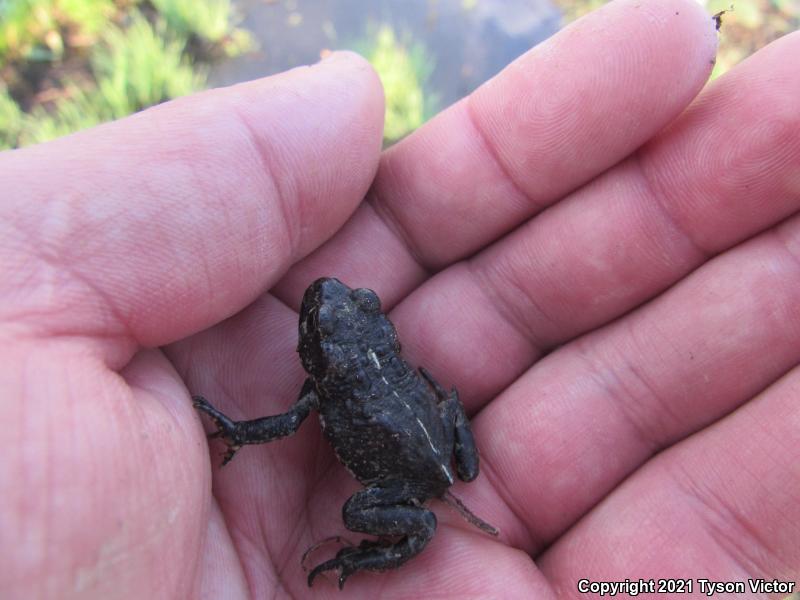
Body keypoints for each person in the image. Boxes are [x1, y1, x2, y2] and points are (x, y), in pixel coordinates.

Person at [2, 0, 798, 597]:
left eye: (345, 315)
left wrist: (237, 433)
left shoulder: (324, 388)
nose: (334, 305)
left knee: (364, 517)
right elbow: (292, 419)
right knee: (435, 475)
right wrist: (442, 402)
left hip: (411, 474)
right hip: (439, 444)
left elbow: (280, 424)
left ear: (333, 354)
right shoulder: (342, 381)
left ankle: (372, 550)